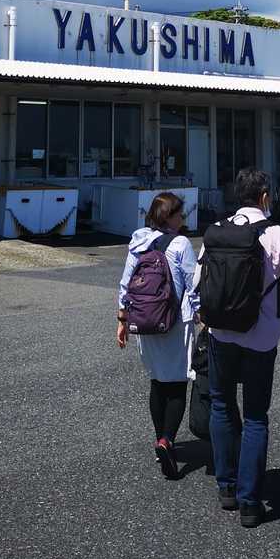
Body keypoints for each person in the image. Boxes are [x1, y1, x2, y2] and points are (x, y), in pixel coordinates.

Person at [200, 167, 280, 528]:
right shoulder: (278, 236)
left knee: (221, 404)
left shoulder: (216, 232)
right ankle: (249, 502)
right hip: (261, 337)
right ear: (264, 197)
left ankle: (227, 487)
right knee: (256, 415)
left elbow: (201, 284)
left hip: (221, 334)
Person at [116, 191, 199, 480]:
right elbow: (193, 285)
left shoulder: (139, 241)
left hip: (144, 320)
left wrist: (122, 319)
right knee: (177, 383)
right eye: (180, 214)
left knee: (157, 381)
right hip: (175, 322)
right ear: (169, 216)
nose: (183, 218)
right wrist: (203, 317)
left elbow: (126, 284)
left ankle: (158, 440)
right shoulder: (181, 243)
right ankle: (167, 440)